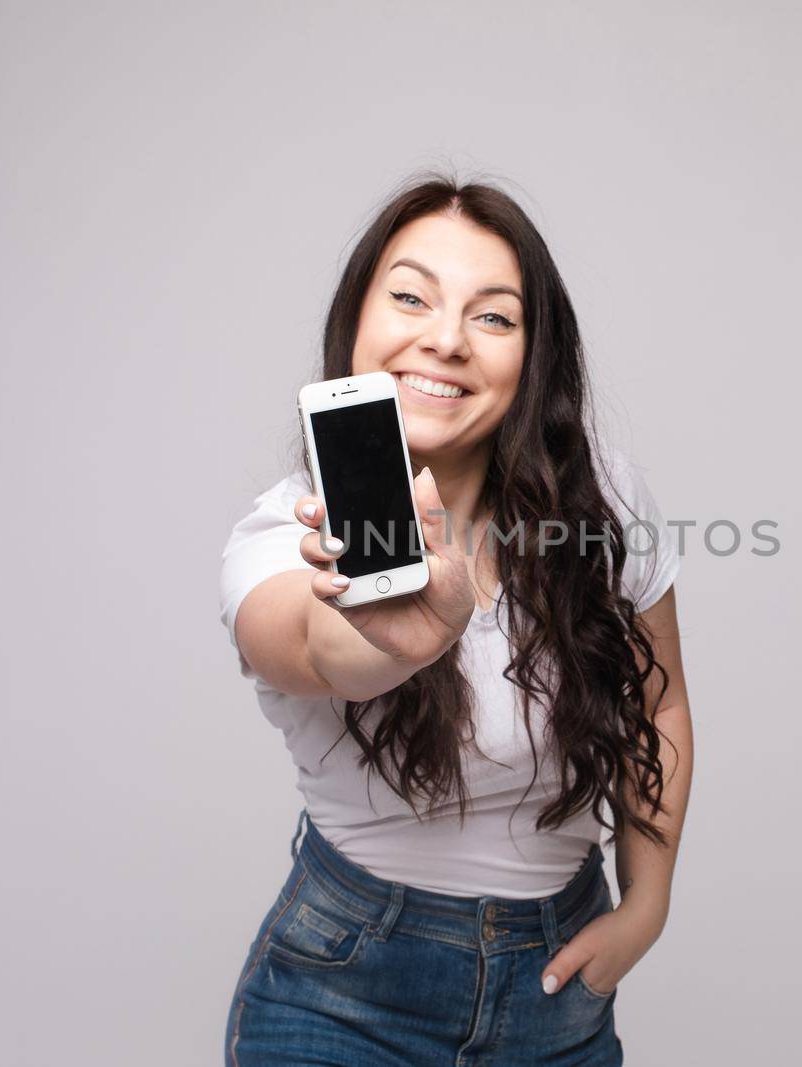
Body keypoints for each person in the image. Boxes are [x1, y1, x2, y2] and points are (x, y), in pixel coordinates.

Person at [218, 174, 693, 1066]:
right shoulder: (286, 535)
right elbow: (311, 649)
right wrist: (392, 639)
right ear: (357, 318)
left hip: (557, 996)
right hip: (342, 998)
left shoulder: (602, 504)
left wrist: (646, 905)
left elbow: (658, 707)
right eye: (410, 297)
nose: (444, 339)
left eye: (493, 317)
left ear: (534, 353)